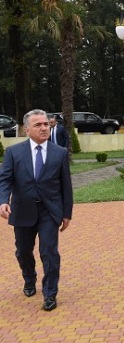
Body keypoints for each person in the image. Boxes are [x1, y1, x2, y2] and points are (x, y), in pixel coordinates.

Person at [0, 109, 73, 312]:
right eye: (38, 125)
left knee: (49, 252)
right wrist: (3, 201)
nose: (44, 128)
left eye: (46, 124)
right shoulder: (14, 153)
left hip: (49, 211)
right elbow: (5, 179)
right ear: (26, 129)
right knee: (23, 251)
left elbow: (66, 185)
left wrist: (67, 213)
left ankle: (50, 293)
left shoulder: (60, 153)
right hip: (22, 209)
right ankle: (29, 278)